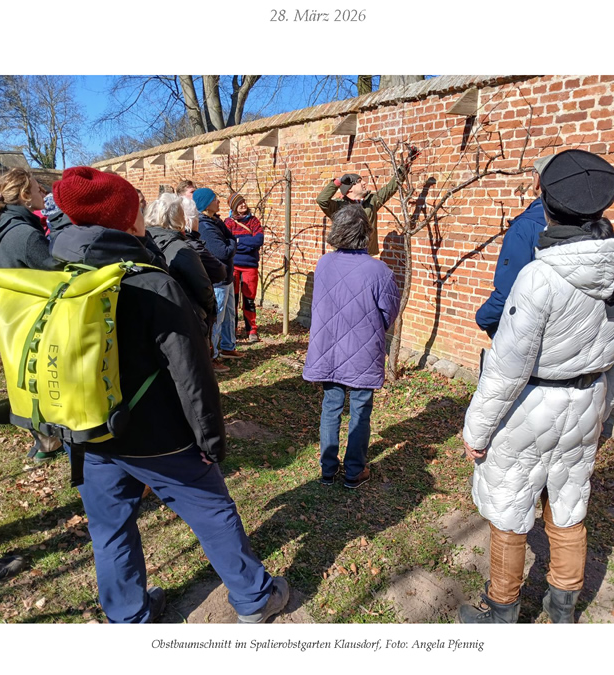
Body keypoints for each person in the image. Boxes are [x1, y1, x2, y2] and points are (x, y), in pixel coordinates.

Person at [48, 166, 289, 624]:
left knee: (109, 528)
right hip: (159, 437)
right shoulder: (151, 283)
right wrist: (211, 442)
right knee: (213, 510)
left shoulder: (57, 271)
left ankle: (129, 616)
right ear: (126, 220)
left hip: (88, 430)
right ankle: (255, 599)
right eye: (137, 208)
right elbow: (192, 375)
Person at [460, 150, 614, 625]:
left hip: (532, 405)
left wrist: (476, 431)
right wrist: (604, 408)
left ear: (545, 200)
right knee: (568, 502)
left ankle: (501, 611)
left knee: (511, 508)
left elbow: (507, 367)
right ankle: (562, 609)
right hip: (587, 399)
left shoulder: (539, 276)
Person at [303, 205, 400, 488]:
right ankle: (354, 471)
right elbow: (389, 311)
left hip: (328, 348)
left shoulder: (324, 263)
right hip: (363, 349)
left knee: (331, 406)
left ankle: (328, 469)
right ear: (365, 233)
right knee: (360, 409)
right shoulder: (379, 270)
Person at [0, 169, 65, 461]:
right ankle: (47, 441)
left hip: (18, 314)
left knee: (29, 375)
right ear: (24, 196)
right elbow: (56, 270)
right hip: (36, 316)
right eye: (36, 189)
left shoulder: (6, 227)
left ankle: (41, 437)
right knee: (42, 378)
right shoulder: (23, 234)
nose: (42, 193)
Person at [475, 155, 553, 337]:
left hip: (524, 336)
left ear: (538, 180)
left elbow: (509, 291)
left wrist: (483, 318)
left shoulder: (525, 227)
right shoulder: (593, 228)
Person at [144, 193, 216, 339]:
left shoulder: (141, 244)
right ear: (178, 219)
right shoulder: (182, 250)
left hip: (150, 324)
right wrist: (210, 311)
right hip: (186, 324)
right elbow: (203, 287)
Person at [316, 155, 414, 256]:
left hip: (366, 254)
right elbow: (321, 200)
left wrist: (405, 165)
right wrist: (339, 181)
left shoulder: (372, 201)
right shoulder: (339, 206)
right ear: (349, 189)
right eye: (359, 181)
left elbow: (391, 187)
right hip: (345, 255)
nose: (364, 183)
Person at [194, 188, 238, 368]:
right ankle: (212, 356)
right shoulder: (205, 225)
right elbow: (222, 251)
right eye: (214, 199)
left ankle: (227, 347)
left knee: (229, 315)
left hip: (227, 277)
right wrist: (233, 243)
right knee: (216, 320)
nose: (218, 201)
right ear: (205, 204)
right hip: (218, 280)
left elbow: (230, 239)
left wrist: (231, 242)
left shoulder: (216, 220)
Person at [225, 192, 265, 342]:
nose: (243, 204)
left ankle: (252, 330)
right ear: (234, 207)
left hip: (250, 266)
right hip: (233, 266)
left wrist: (239, 242)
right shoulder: (228, 222)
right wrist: (246, 243)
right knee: (233, 299)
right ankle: (232, 329)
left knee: (249, 299)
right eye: (239, 203)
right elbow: (229, 242)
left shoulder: (254, 221)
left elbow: (258, 240)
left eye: (243, 201)